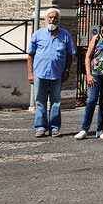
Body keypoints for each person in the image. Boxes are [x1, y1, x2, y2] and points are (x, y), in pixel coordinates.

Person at [27, 8, 76, 138]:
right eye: (50, 17)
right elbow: (30, 55)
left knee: (56, 101)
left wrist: (66, 70)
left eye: (55, 18)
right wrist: (30, 73)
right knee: (40, 101)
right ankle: (41, 128)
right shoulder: (37, 35)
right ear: (45, 19)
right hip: (40, 73)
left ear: (58, 20)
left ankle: (55, 128)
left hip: (57, 74)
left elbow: (70, 55)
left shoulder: (65, 35)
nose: (52, 20)